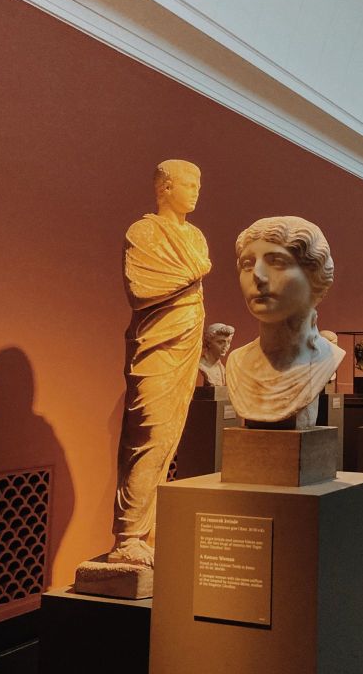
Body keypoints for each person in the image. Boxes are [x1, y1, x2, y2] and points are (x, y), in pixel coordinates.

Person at [110, 159, 211, 567]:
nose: (196, 191)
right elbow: (140, 289)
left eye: (199, 184)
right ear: (166, 187)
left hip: (186, 342)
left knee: (169, 437)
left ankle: (143, 532)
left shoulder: (197, 237)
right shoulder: (143, 232)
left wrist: (194, 271)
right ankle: (126, 537)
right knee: (148, 433)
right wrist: (194, 271)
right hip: (154, 345)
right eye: (189, 183)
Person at [225, 216, 344, 429]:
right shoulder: (236, 362)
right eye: (247, 264)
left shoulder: (329, 358)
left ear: (315, 276)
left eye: (277, 262)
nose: (257, 275)